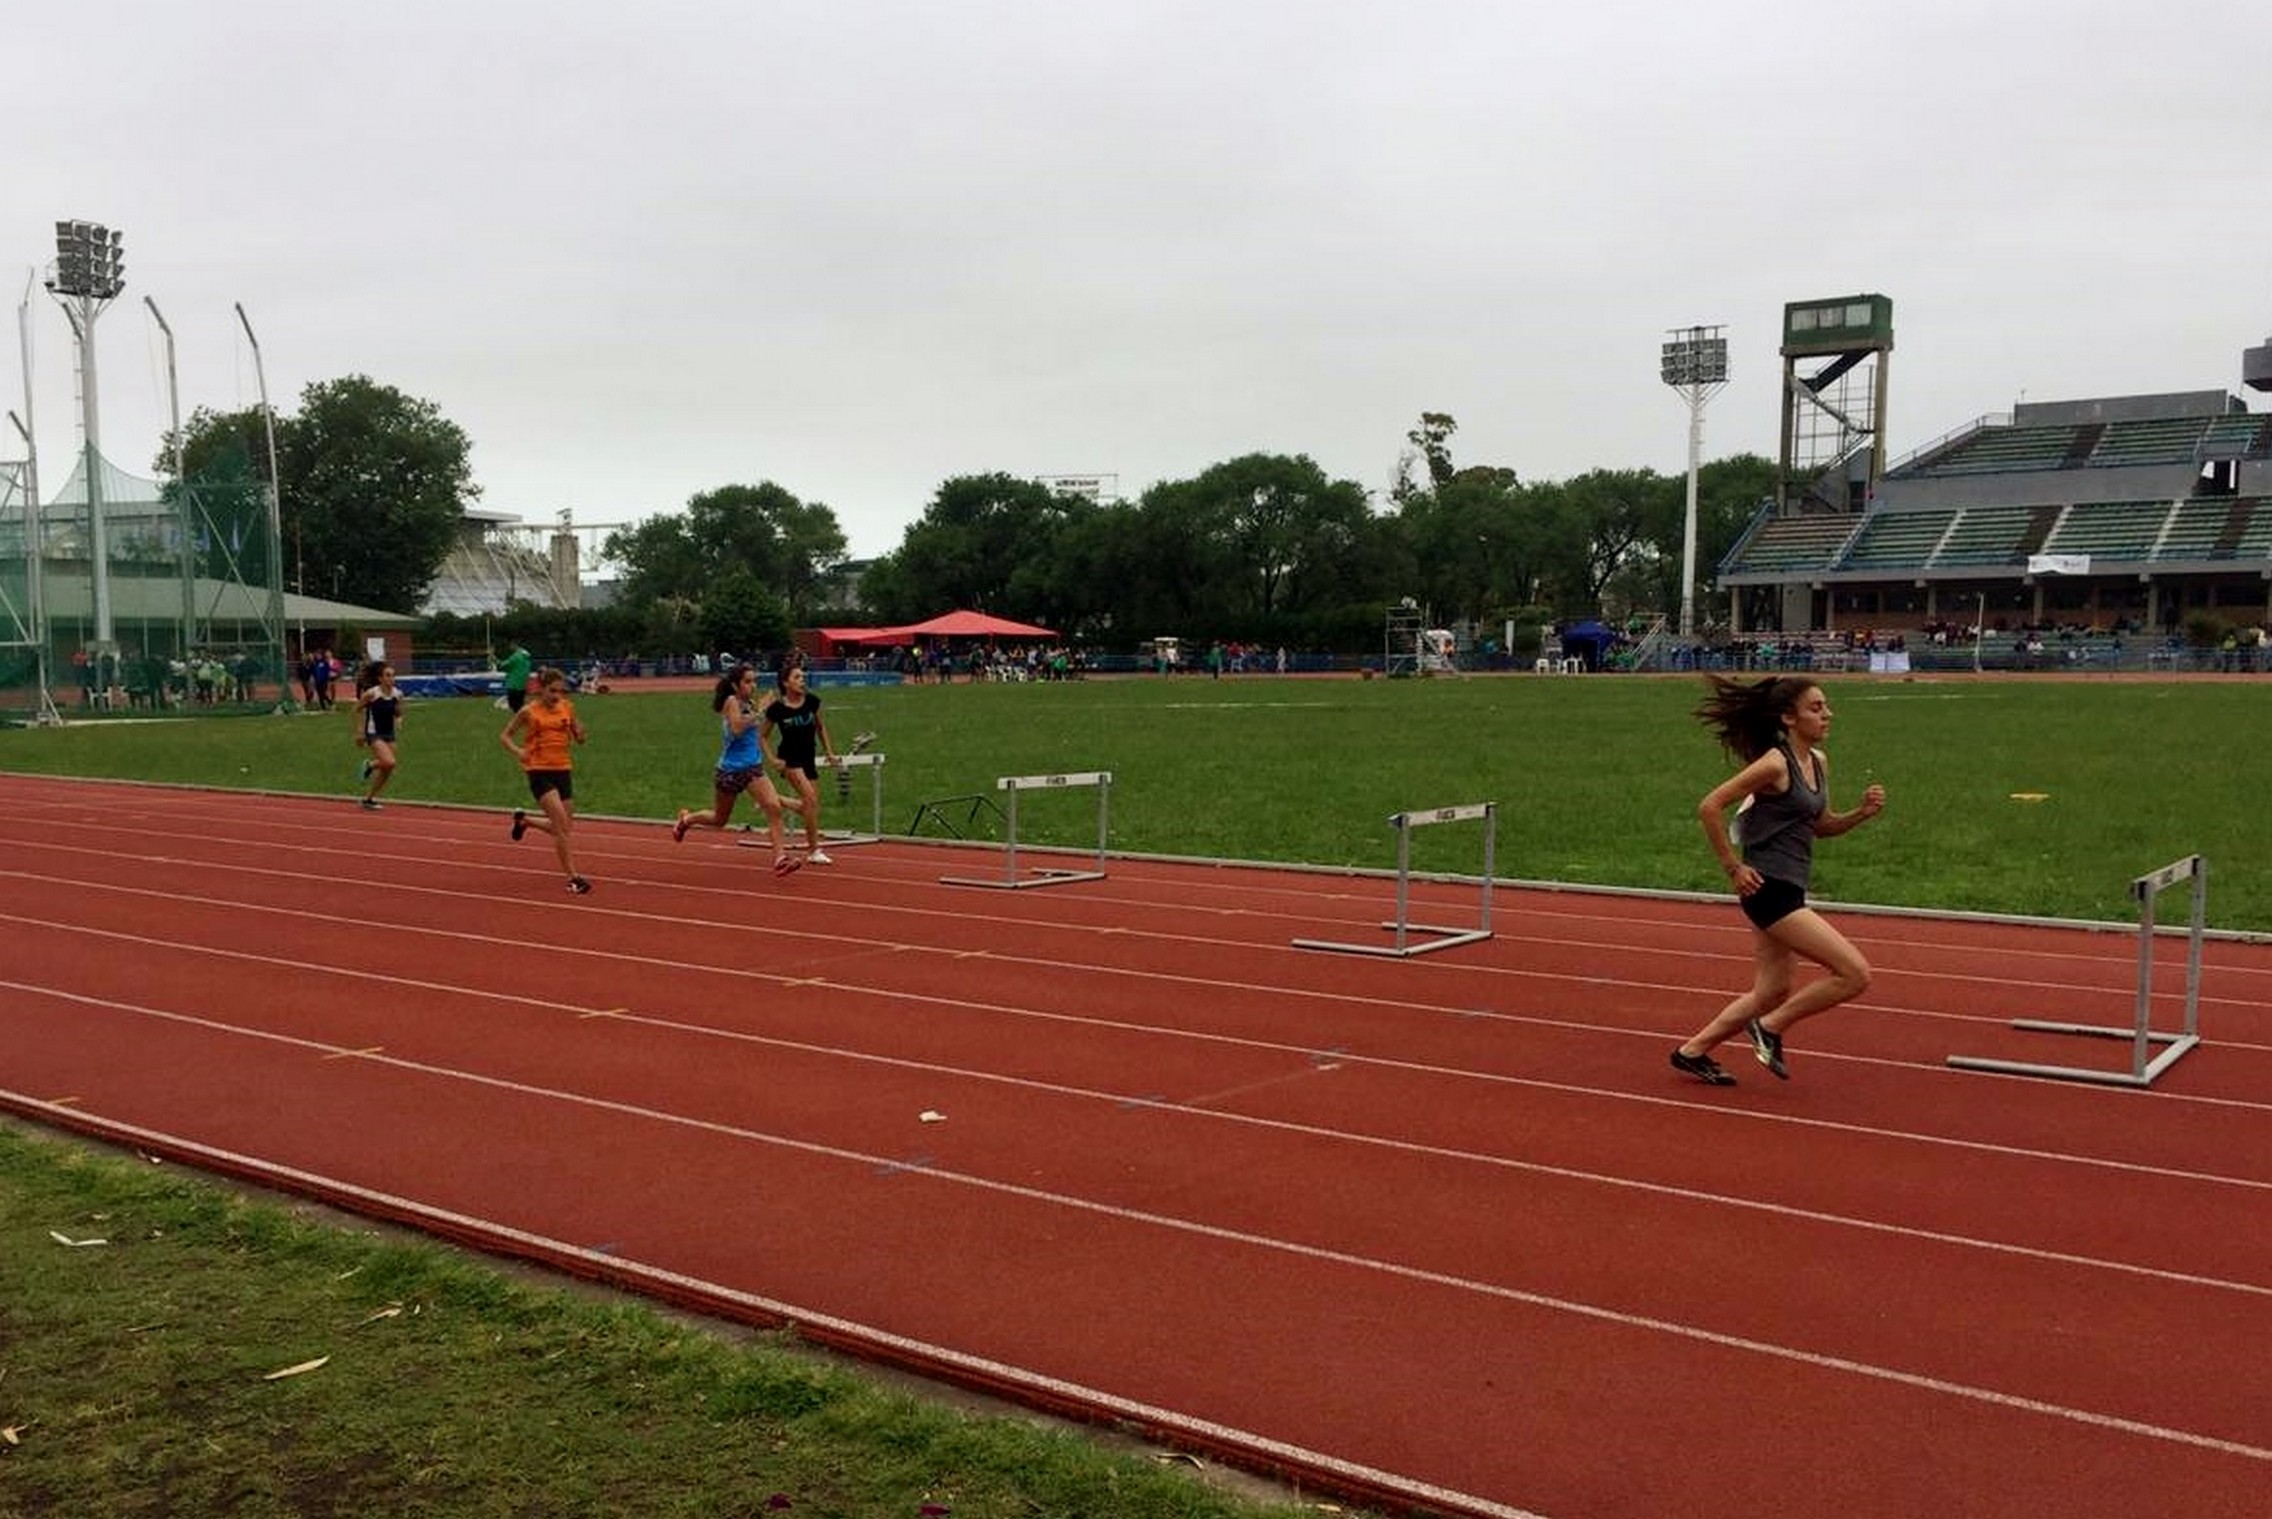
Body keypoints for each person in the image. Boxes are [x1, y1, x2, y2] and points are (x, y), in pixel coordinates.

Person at [1670, 675, 1886, 1086]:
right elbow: (1710, 806)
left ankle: (1691, 1052)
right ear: (1789, 718)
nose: (1827, 715)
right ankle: (1768, 1029)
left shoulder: (1817, 763)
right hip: (1767, 889)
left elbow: (1820, 825)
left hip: (1790, 886)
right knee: (1854, 974)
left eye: (1826, 706)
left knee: (1771, 991)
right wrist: (1733, 867)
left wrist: (1860, 814)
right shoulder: (1774, 763)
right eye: (1816, 708)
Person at [672, 665, 801, 875]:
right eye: (748, 681)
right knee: (719, 819)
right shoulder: (731, 702)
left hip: (752, 768)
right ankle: (686, 820)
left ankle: (780, 858)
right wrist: (761, 710)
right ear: (735, 685)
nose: (753, 685)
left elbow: (755, 732)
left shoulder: (749, 704)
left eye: (754, 681)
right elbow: (737, 728)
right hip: (730, 771)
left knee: (773, 807)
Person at [501, 666, 592, 894]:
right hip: (539, 771)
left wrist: (581, 734)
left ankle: (525, 822)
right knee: (561, 826)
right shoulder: (528, 712)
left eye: (561, 691)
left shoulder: (567, 708)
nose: (557, 696)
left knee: (564, 827)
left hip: (563, 769)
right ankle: (574, 878)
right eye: (552, 691)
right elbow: (505, 735)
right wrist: (519, 751)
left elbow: (578, 737)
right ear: (541, 689)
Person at [762, 659, 839, 865]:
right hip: (789, 760)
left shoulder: (812, 702)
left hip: (808, 757)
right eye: (797, 677)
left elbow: (821, 728)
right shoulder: (777, 709)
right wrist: (772, 759)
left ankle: (774, 800)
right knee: (810, 800)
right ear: (786, 683)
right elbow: (762, 736)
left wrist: (829, 752)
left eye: (803, 677)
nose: (801, 680)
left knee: (811, 806)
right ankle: (814, 850)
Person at [354, 662, 405, 810]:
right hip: (373, 733)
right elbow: (357, 709)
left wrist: (399, 719)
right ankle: (370, 765)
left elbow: (399, 711)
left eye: (393, 675)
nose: (391, 678)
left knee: (386, 768)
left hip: (389, 733)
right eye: (388, 675)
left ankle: (368, 798)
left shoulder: (398, 694)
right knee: (390, 762)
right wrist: (359, 731)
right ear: (380, 678)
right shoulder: (372, 693)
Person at [500, 639, 533, 713]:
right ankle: (523, 719)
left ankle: (519, 720)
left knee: (514, 706)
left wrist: (496, 661)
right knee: (520, 705)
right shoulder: (526, 655)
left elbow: (504, 666)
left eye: (511, 645)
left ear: (514, 645)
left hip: (514, 684)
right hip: (523, 684)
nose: (510, 647)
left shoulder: (516, 656)